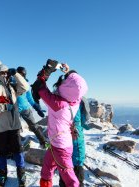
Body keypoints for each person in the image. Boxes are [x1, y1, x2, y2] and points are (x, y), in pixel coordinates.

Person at [31, 59, 88, 187]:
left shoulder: (58, 104)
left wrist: (46, 71)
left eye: (65, 81)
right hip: (56, 143)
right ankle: (45, 183)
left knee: (70, 180)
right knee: (47, 168)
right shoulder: (75, 100)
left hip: (61, 147)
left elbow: (40, 87)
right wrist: (68, 71)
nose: (63, 81)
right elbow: (76, 86)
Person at [0, 64, 30, 187]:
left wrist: (16, 74)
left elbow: (26, 87)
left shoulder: (12, 86)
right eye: (2, 73)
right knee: (1, 152)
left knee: (18, 151)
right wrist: (5, 107)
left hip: (14, 125)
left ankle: (21, 175)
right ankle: (2, 175)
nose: (5, 75)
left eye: (6, 73)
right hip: (1, 127)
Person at [59, 97, 91, 187]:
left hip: (60, 134)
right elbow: (85, 118)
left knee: (64, 162)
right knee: (77, 161)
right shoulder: (81, 99)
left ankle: (63, 184)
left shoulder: (58, 96)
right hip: (75, 134)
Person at [15, 66, 48, 148]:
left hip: (25, 109)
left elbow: (30, 98)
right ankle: (16, 148)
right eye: (19, 74)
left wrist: (37, 109)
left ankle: (43, 142)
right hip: (14, 110)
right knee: (15, 130)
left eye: (22, 75)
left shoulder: (25, 85)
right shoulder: (12, 83)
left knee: (34, 126)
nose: (21, 76)